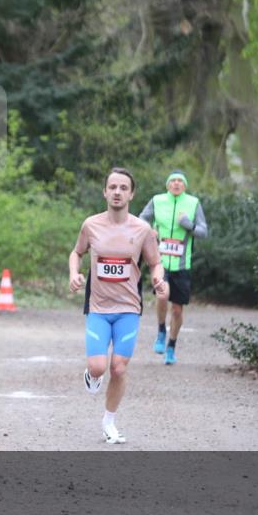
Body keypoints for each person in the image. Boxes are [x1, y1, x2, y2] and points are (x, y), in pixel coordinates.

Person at [69, 168, 168, 444]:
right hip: (98, 308)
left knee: (119, 368)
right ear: (104, 192)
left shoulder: (142, 229)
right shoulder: (91, 225)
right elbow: (77, 252)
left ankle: (109, 422)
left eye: (123, 188)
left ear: (131, 194)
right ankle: (92, 375)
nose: (117, 192)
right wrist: (74, 274)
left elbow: (155, 263)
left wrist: (158, 279)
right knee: (98, 367)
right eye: (112, 187)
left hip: (128, 309)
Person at [138, 170, 208, 365]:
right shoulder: (157, 200)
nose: (176, 183)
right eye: (173, 181)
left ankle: (171, 346)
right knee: (162, 295)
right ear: (168, 185)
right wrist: (149, 230)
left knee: (177, 310)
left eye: (180, 181)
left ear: (184, 186)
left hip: (182, 265)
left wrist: (189, 225)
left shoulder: (193, 203)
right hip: (160, 262)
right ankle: (161, 331)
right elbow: (141, 219)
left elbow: (204, 232)